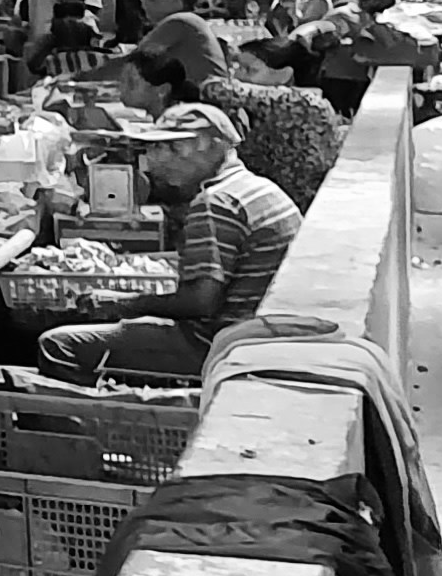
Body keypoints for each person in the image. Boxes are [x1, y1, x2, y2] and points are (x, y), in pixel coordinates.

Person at [35, 104, 302, 383]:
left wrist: (122, 303)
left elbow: (201, 301)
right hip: (261, 333)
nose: (155, 160)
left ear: (207, 146)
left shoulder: (214, 203)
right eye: (155, 148)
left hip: (222, 344)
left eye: (169, 148)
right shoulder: (261, 188)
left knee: (58, 346)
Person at [119, 9, 344, 210]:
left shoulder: (301, 105)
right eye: (236, 67)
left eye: (249, 69)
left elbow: (216, 88)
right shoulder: (289, 107)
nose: (237, 76)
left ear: (284, 74)